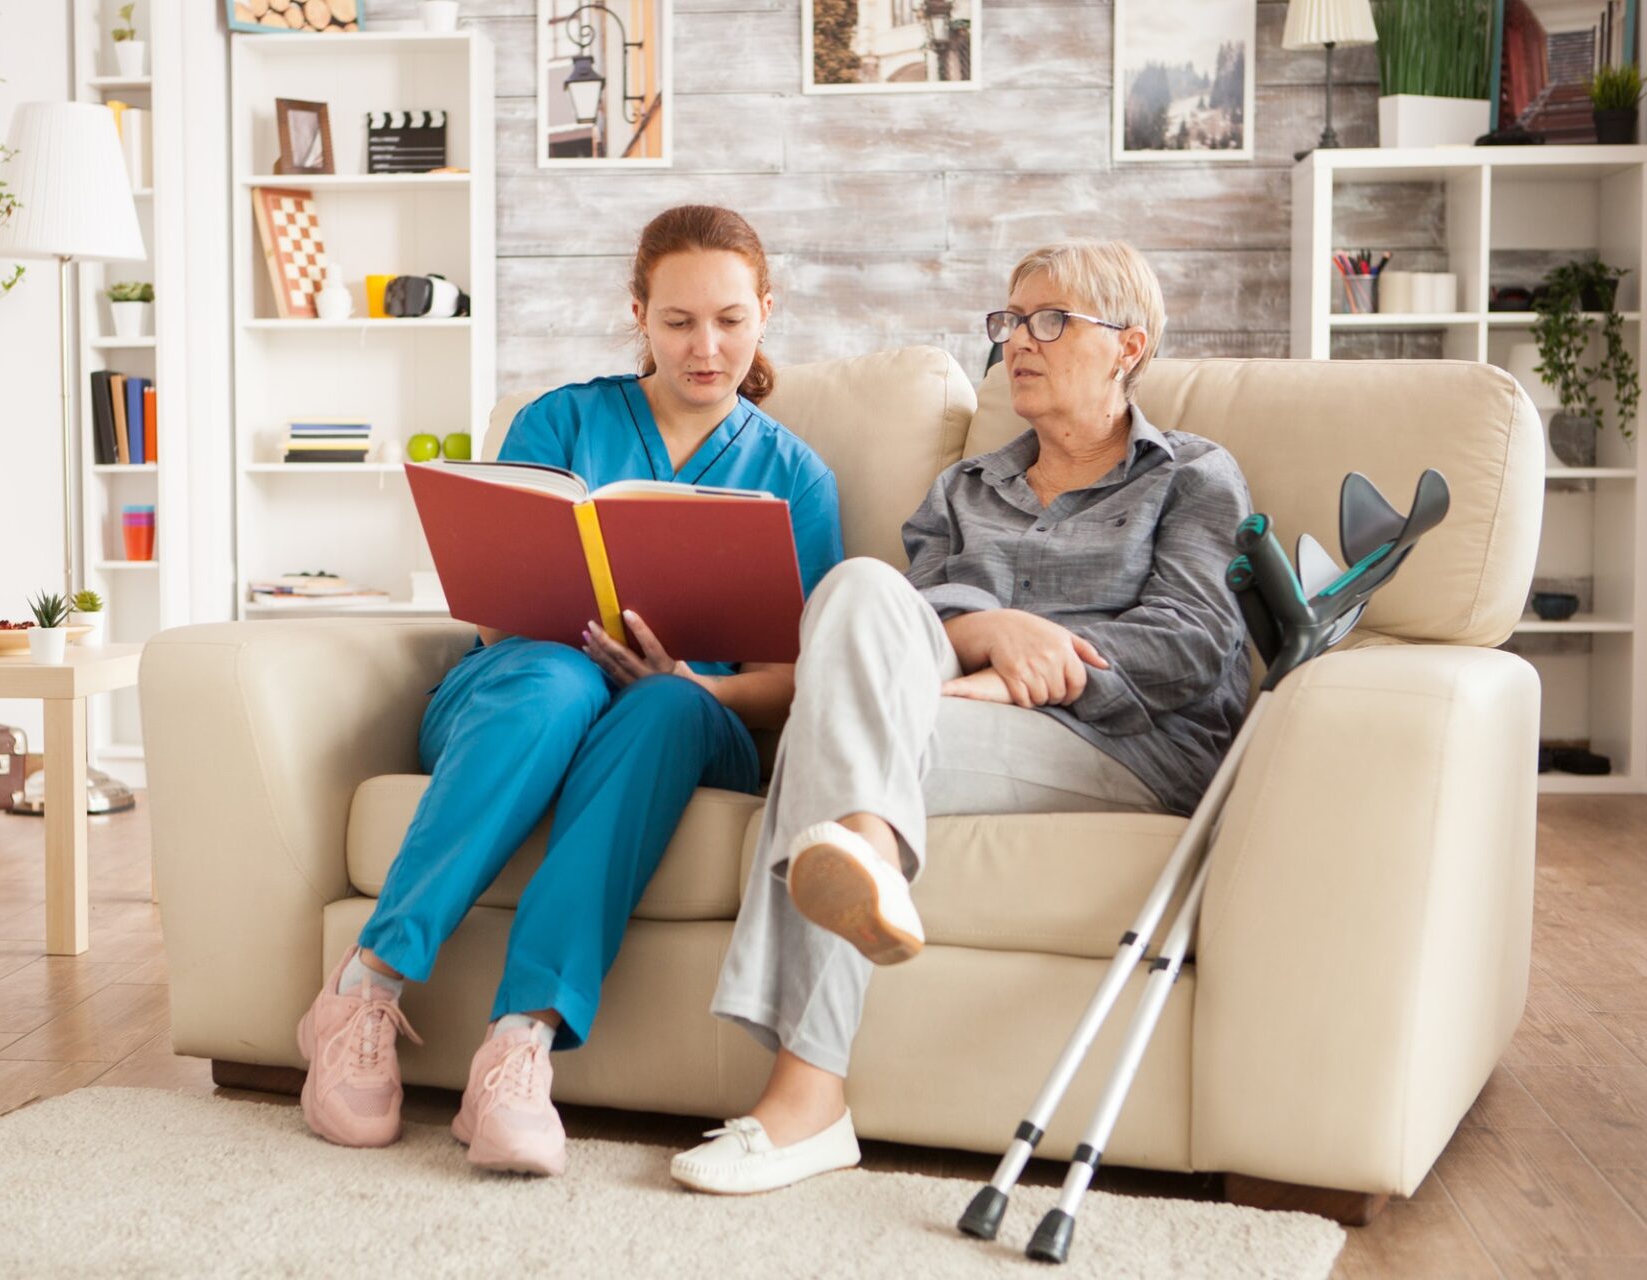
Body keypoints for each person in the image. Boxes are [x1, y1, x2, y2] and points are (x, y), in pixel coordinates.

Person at [671, 239, 1253, 1195]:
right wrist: (992, 629)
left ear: (1128, 346)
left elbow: (1191, 644)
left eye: (1051, 320)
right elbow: (911, 618)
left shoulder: (1192, 475)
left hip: (1124, 743)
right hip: (950, 709)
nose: (1019, 341)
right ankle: (864, 851)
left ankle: (808, 1094)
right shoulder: (964, 488)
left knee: (835, 726)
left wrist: (1029, 670)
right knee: (856, 588)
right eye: (1011, 320)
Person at [297, 205, 844, 1178]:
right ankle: (363, 988)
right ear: (639, 313)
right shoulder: (560, 419)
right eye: (676, 321)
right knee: (554, 677)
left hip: (688, 720)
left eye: (728, 319)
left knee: (671, 704)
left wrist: (688, 678)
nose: (704, 346)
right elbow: (495, 608)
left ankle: (519, 1046)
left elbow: (799, 679)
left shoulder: (795, 477)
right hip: (524, 684)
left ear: (766, 312)